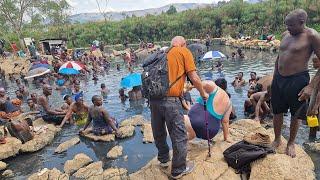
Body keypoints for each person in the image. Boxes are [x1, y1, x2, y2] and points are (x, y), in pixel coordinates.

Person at [149, 36, 208, 179]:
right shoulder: (183, 52)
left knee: (159, 131)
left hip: (154, 100)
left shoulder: (160, 53)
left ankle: (163, 160)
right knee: (179, 135)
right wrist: (203, 93)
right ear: (184, 44)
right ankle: (179, 169)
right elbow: (194, 77)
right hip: (171, 101)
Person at [271, 9, 320, 158]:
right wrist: (274, 79)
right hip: (279, 78)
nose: (288, 28)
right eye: (286, 25)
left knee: (296, 114)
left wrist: (311, 86)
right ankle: (277, 139)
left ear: (301, 22)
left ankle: (291, 143)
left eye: (291, 25)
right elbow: (279, 58)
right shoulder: (286, 35)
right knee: (276, 111)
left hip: (298, 79)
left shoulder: (312, 36)